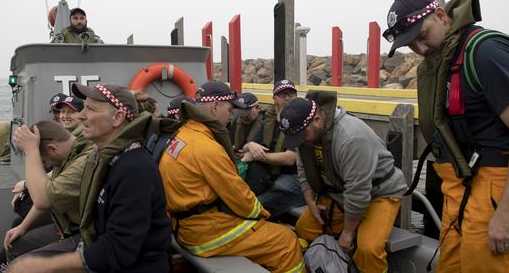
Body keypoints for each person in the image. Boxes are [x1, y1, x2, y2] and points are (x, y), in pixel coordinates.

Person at [383, 0, 509, 272]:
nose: (420, 50)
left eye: (422, 36)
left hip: (500, 190)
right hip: (461, 189)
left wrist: (508, 212)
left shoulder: (488, 52)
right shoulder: (444, 59)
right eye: (411, 45)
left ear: (441, 15)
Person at [8, 83, 172, 273]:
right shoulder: (104, 157)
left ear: (118, 117)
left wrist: (45, 265)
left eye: (91, 109)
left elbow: (118, 250)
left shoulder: (134, 169)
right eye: (83, 107)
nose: (80, 116)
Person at [158, 80, 305, 272]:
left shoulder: (183, 135)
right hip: (204, 232)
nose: (231, 117)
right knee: (286, 241)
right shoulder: (207, 147)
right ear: (215, 107)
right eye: (229, 110)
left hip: (183, 225)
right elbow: (238, 196)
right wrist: (263, 216)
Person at [279, 96, 407, 273]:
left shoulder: (350, 138)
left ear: (317, 119)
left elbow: (358, 192)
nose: (300, 141)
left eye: (302, 136)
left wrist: (348, 232)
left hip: (379, 193)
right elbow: (303, 169)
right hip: (340, 194)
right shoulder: (305, 136)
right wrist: (310, 200)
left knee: (368, 250)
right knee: (304, 228)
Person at [5, 120, 94, 263]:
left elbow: (43, 200)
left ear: (53, 149)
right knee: (16, 241)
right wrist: (23, 227)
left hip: (84, 233)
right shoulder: (71, 150)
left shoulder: (84, 160)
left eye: (44, 162)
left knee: (20, 258)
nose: (45, 166)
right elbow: (50, 193)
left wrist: (31, 151)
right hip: (67, 224)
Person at [238, 79, 305, 217]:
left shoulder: (301, 119)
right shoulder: (270, 119)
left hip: (296, 178)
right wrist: (250, 145)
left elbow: (289, 158)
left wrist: (257, 155)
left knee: (251, 206)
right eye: (282, 95)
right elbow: (247, 147)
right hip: (272, 173)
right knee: (239, 192)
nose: (287, 98)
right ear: (274, 98)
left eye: (291, 94)